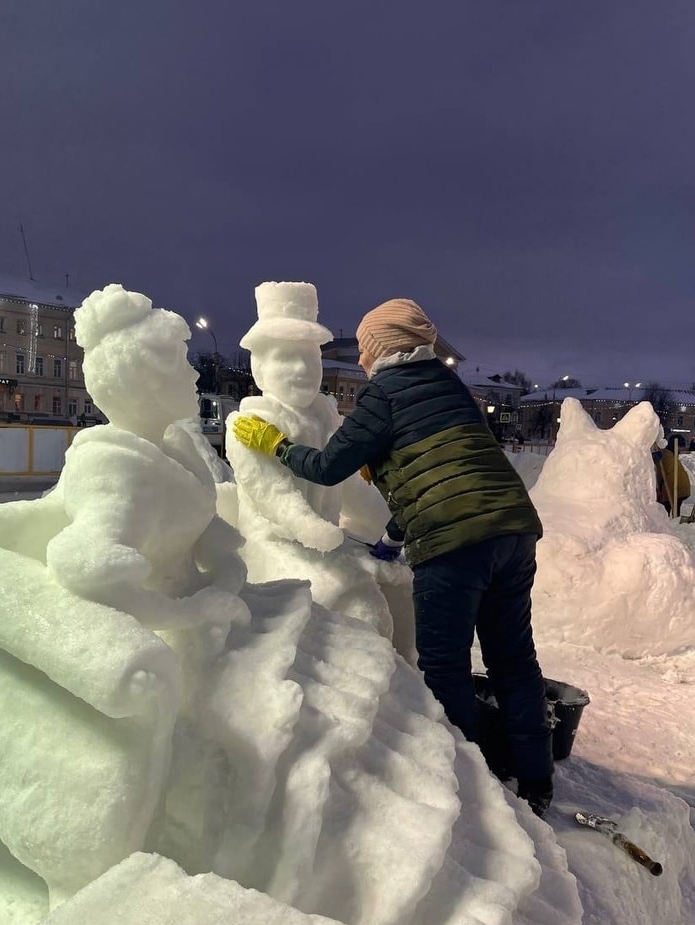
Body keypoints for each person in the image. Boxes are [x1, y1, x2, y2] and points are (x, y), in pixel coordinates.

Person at [233, 297, 553, 816]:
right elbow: (443, 468)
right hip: (512, 528)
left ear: (383, 348)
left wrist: (277, 445)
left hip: (454, 543)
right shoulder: (453, 389)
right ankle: (536, 780)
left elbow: (326, 467)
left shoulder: (382, 395)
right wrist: (394, 535)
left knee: (444, 664)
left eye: (364, 348)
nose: (359, 360)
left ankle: (474, 788)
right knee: (513, 659)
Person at [654, 433, 691, 518]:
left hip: (677, 488)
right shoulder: (667, 455)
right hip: (677, 489)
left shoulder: (669, 455)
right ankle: (672, 522)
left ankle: (671, 523)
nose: (681, 450)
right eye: (680, 447)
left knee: (667, 509)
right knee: (670, 508)